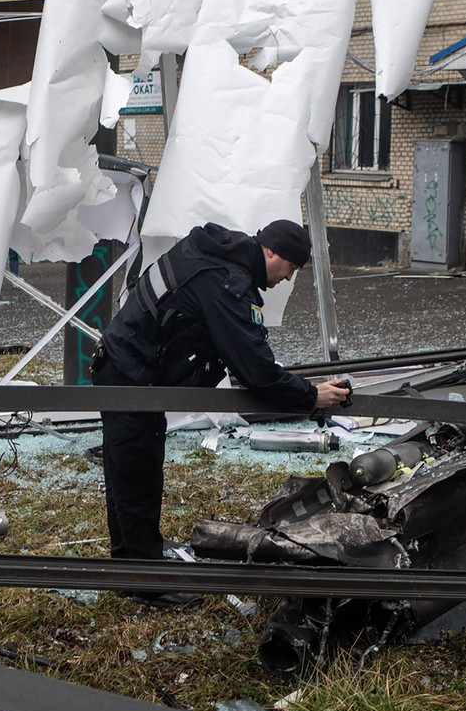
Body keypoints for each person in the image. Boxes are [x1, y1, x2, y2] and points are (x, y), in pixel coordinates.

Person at [93, 219, 351, 605]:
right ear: (271, 253)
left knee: (125, 471)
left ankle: (129, 566)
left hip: (124, 365)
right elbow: (257, 371)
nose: (288, 279)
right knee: (137, 474)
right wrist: (310, 396)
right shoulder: (227, 282)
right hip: (131, 375)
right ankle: (144, 581)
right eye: (290, 268)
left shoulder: (218, 257)